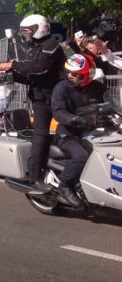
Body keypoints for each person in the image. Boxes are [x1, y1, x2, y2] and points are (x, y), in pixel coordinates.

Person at [0, 14, 65, 192]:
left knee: (68, 133)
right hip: (41, 100)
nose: (25, 35)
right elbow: (30, 76)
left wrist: (12, 64)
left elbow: (40, 67)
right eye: (24, 32)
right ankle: (34, 178)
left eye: (28, 31)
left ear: (39, 29)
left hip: (58, 98)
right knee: (39, 137)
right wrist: (8, 75)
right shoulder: (33, 49)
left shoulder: (51, 45)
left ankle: (68, 169)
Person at [50, 53, 107, 207]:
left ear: (87, 75)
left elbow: (107, 104)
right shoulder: (61, 88)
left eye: (75, 74)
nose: (70, 76)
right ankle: (64, 185)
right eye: (69, 72)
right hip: (68, 134)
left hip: (93, 132)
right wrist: (76, 120)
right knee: (81, 156)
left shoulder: (98, 88)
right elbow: (58, 112)